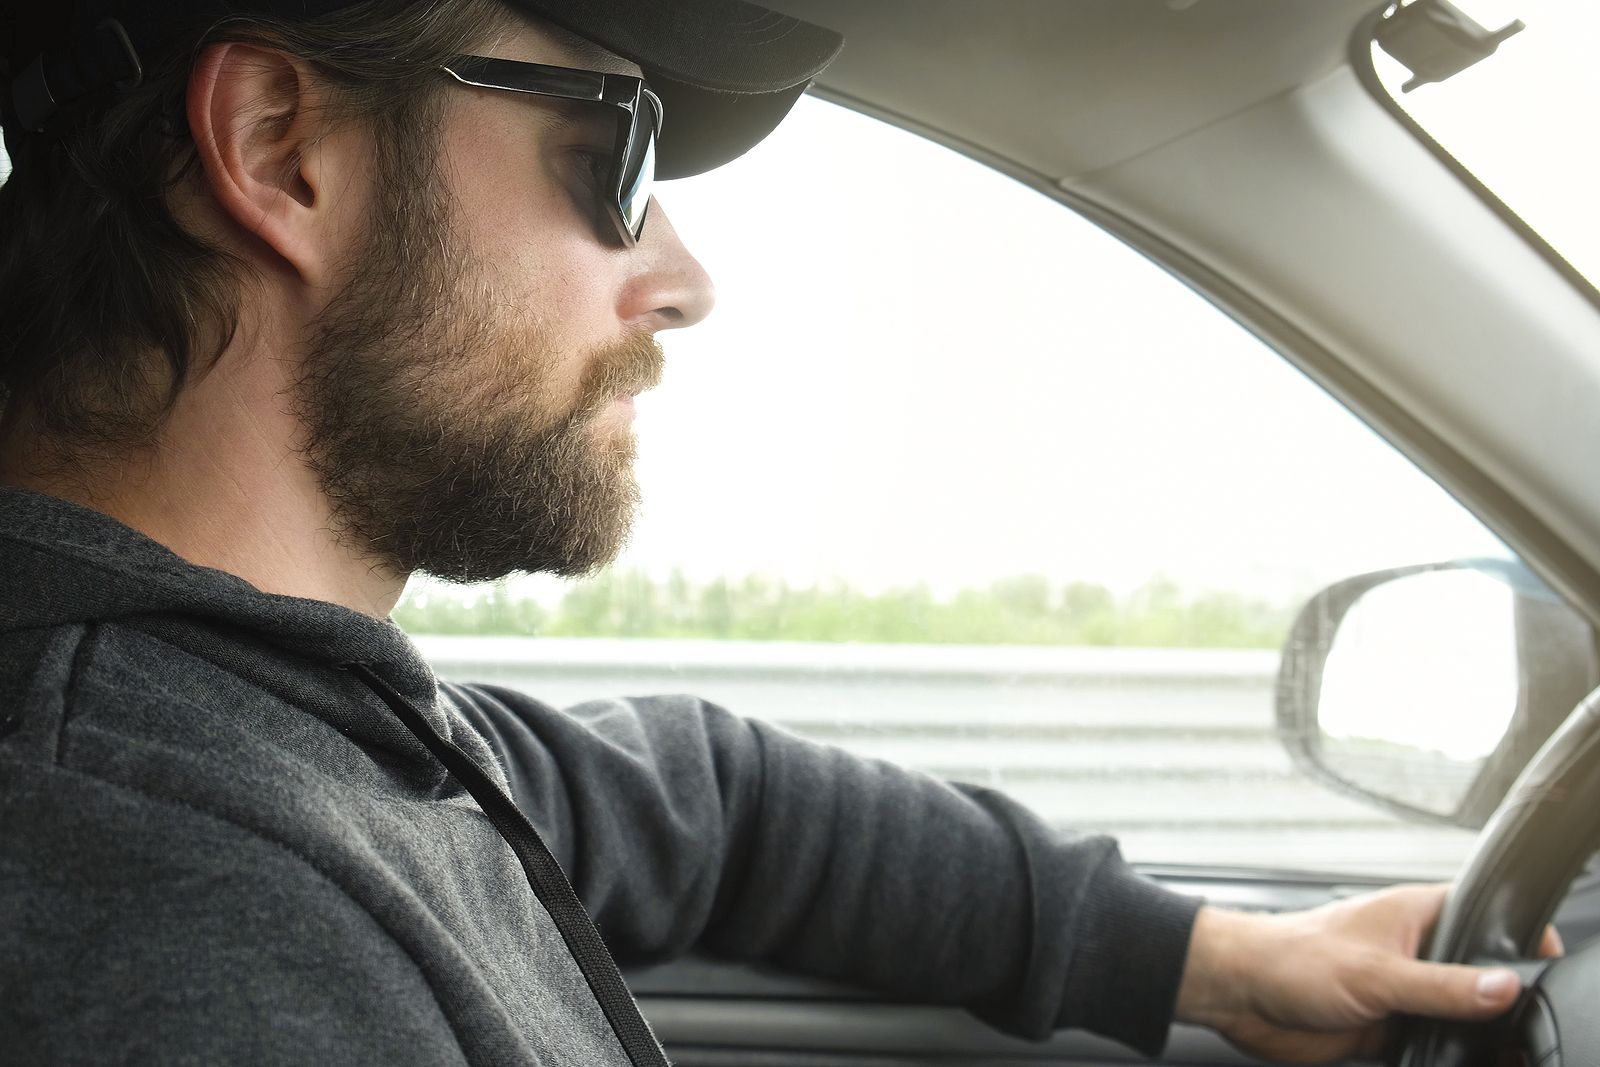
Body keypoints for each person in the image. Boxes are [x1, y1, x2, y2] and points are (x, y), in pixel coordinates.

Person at [0, 1, 1556, 1063]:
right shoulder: (167, 902)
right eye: (614, 154)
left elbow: (717, 802)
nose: (683, 275)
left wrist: (1206, 959)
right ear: (284, 151)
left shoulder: (307, 736)